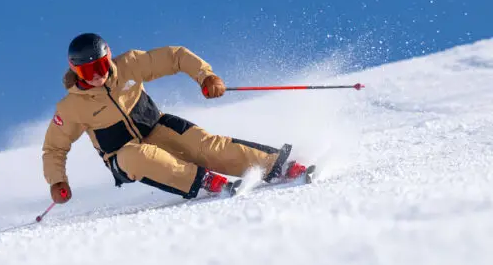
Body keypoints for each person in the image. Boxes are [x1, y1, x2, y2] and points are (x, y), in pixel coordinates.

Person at [42, 33, 309, 204]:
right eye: (88, 71)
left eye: (100, 66)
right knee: (140, 155)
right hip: (122, 155)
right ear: (76, 72)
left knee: (205, 145)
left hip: (156, 126)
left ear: (108, 58)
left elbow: (175, 56)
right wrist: (58, 181)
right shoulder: (71, 107)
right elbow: (54, 148)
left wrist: (205, 76)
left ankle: (275, 166)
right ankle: (203, 180)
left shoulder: (130, 65)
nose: (97, 75)